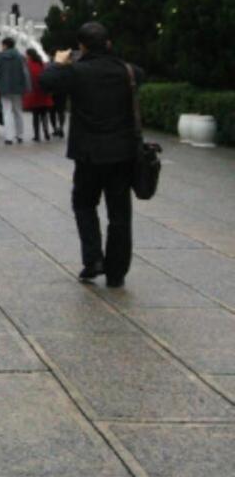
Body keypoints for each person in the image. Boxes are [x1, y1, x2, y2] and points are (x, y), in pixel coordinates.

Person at [41, 22, 144, 288]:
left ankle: (94, 258)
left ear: (82, 46)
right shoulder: (128, 71)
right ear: (108, 43)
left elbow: (47, 82)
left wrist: (58, 62)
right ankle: (117, 272)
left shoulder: (77, 72)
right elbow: (141, 75)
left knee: (84, 205)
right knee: (120, 214)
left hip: (88, 154)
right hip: (122, 155)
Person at [0, 36, 31, 144]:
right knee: (18, 111)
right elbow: (26, 73)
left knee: (7, 112)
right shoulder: (21, 57)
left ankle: (9, 137)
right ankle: (20, 135)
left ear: (5, 45)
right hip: (18, 88)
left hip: (4, 88)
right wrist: (27, 87)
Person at [23, 47, 52, 141]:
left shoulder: (28, 65)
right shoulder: (42, 64)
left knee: (36, 115)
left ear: (29, 55)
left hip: (34, 93)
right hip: (43, 92)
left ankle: (37, 135)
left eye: (26, 54)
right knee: (44, 114)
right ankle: (46, 133)